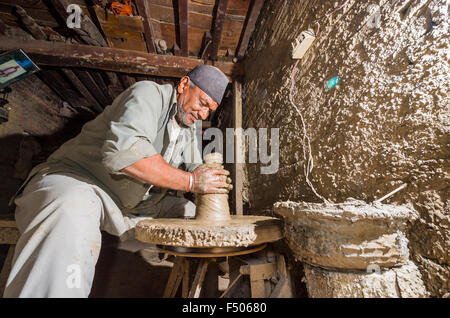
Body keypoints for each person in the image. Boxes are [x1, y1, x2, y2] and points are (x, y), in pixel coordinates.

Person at [3, 65, 232, 297]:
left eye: (209, 110)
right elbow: (126, 155)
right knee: (72, 206)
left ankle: (206, 293)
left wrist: (212, 176)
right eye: (203, 103)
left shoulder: (187, 127)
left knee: (196, 215)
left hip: (133, 205)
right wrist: (193, 181)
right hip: (83, 181)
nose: (204, 115)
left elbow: (196, 166)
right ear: (184, 85)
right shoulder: (149, 95)